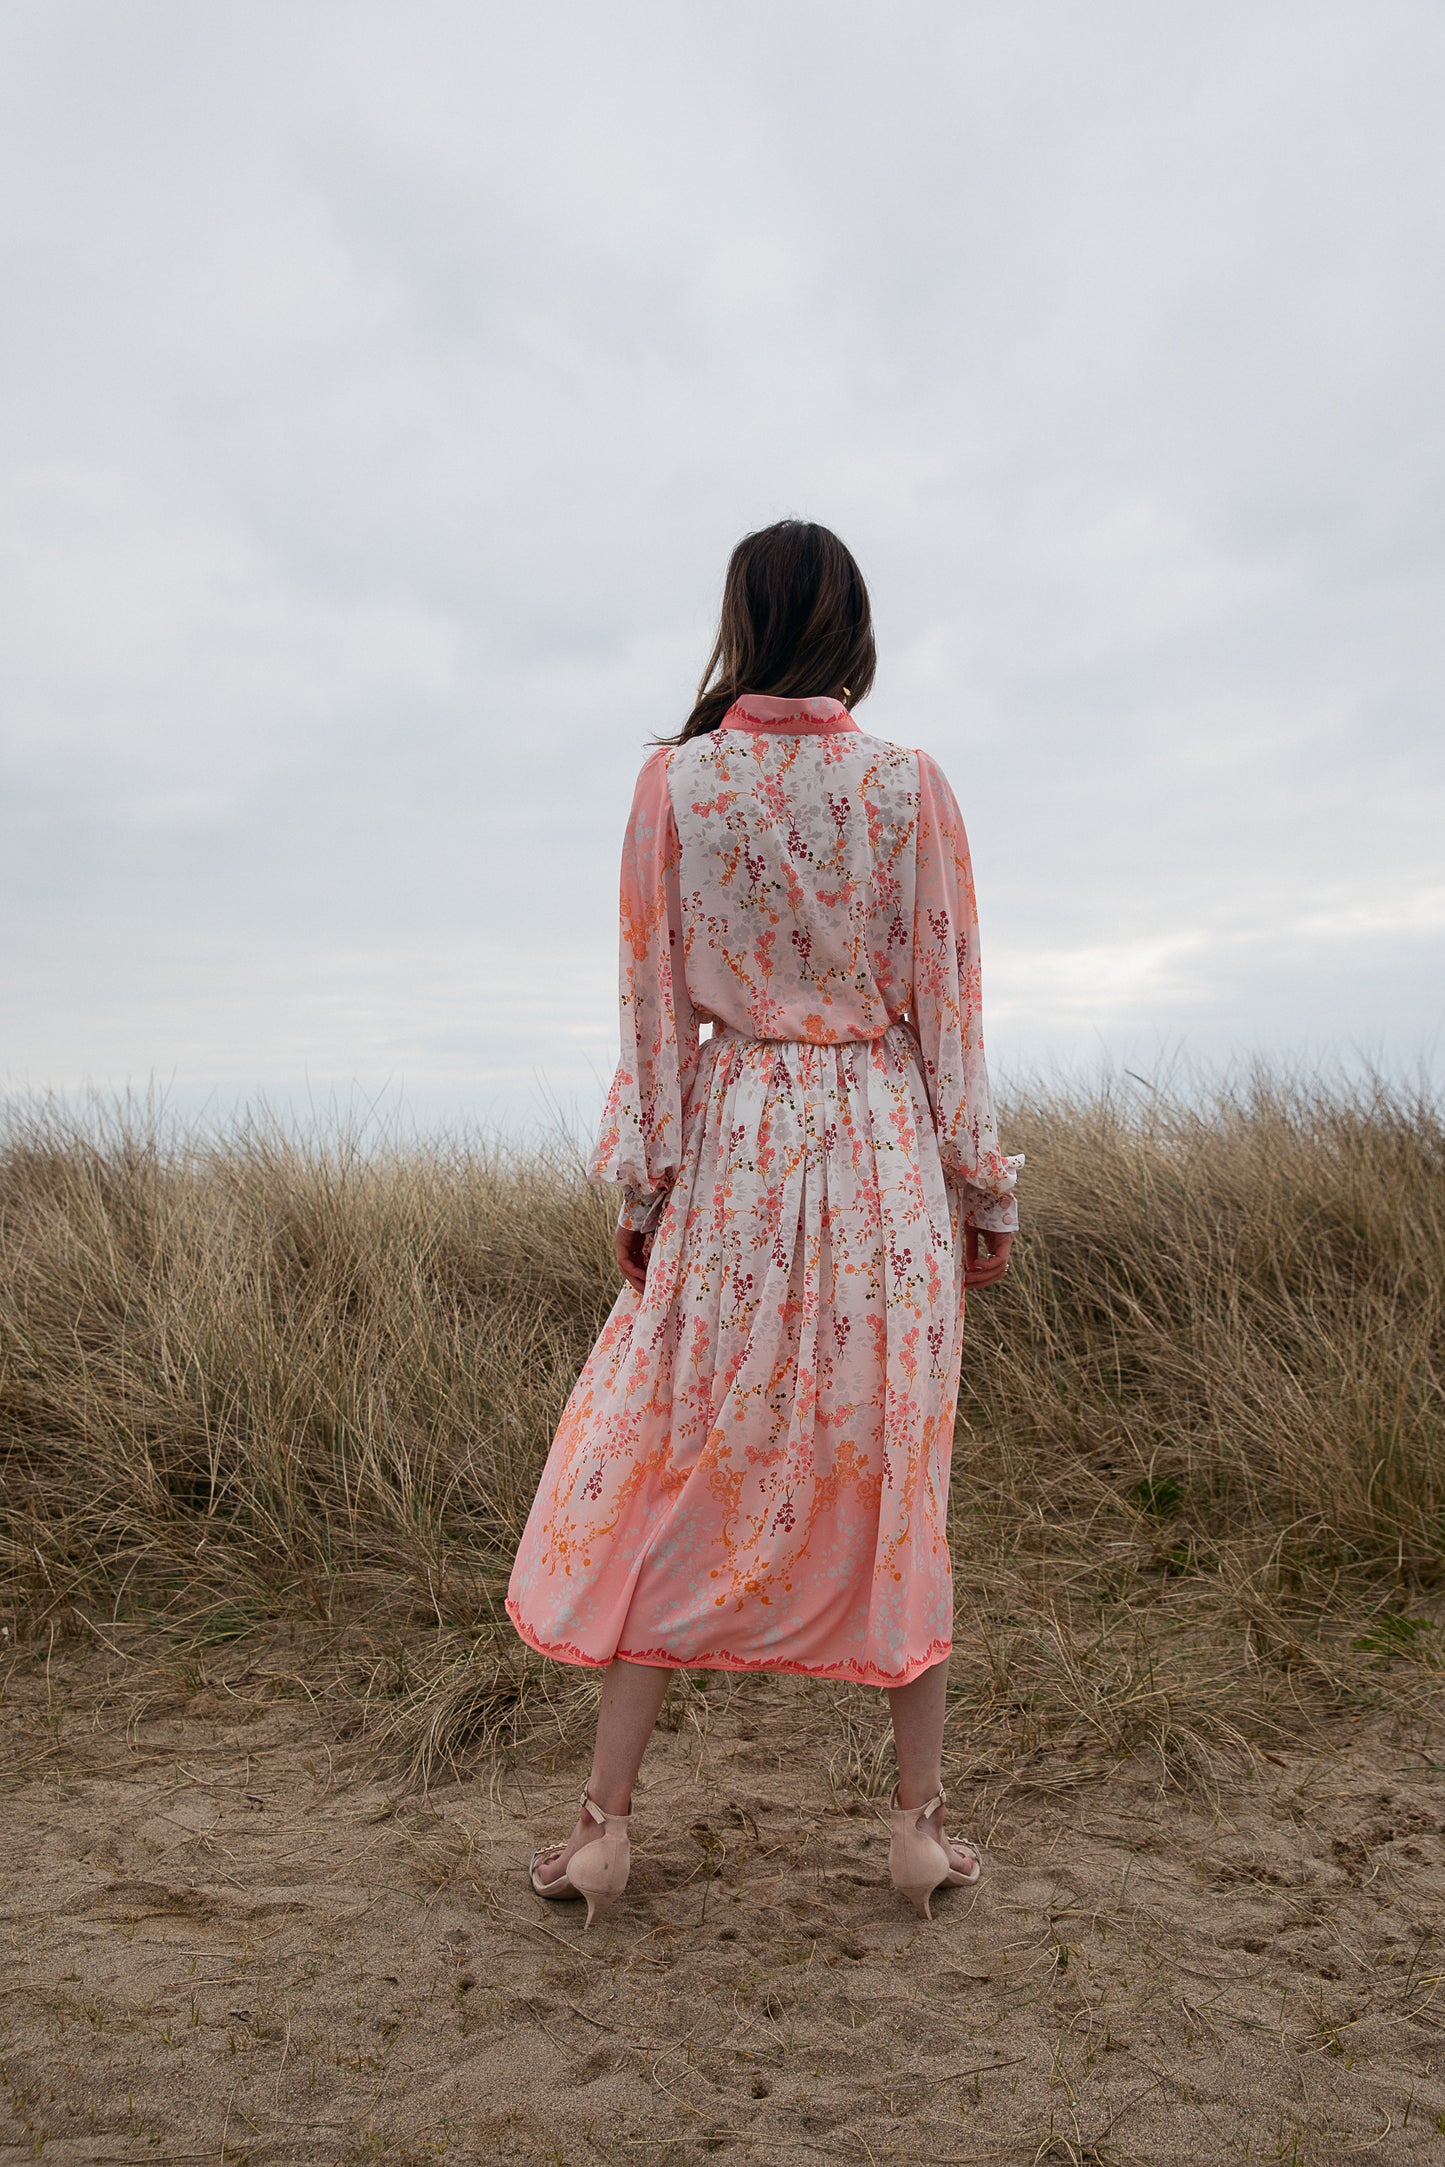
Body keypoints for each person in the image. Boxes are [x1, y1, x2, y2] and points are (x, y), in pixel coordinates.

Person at [506, 520, 1021, 1926]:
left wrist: (644, 1187)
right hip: (880, 1159)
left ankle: (604, 1830)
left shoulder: (675, 787)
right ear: (852, 624)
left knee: (676, 1466)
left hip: (734, 1153)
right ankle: (915, 1831)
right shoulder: (908, 786)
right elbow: (948, 1003)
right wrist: (980, 1189)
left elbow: (651, 1005)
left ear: (741, 619)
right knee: (897, 1478)